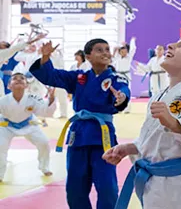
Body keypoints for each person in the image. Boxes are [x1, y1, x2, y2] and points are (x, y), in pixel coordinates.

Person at [105, 33, 181, 209]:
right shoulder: (159, 95)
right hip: (156, 186)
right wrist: (130, 148)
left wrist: (175, 124)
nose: (170, 45)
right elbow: (155, 139)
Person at [31, 38, 131, 209]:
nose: (106, 53)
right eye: (99, 50)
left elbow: (123, 90)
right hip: (78, 135)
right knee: (75, 187)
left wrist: (121, 98)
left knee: (108, 187)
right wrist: (45, 58)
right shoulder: (79, 77)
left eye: (107, 49)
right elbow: (52, 76)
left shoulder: (116, 77)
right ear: (88, 56)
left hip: (102, 137)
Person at [0, 73, 56, 183]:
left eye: (22, 79)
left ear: (27, 86)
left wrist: (51, 98)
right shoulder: (3, 101)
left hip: (29, 124)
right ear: (9, 86)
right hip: (7, 126)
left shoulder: (33, 98)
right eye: (14, 79)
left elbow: (44, 110)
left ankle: (44, 167)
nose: (19, 80)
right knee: (0, 147)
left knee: (44, 142)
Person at [113, 38, 137, 114]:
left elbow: (133, 49)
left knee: (127, 91)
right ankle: (117, 107)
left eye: (125, 51)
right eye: (122, 51)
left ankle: (127, 108)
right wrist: (121, 44)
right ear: (119, 52)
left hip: (126, 76)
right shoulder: (117, 57)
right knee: (117, 92)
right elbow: (115, 48)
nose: (124, 53)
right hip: (118, 75)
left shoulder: (129, 57)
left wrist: (132, 41)